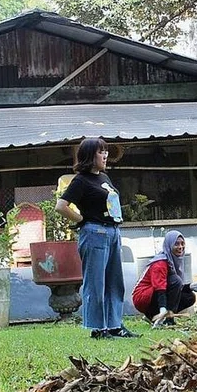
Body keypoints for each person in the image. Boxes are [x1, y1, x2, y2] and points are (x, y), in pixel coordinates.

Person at [56, 137, 139, 339]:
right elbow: (61, 206)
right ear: (89, 156)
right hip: (94, 234)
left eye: (106, 151)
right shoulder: (81, 180)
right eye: (101, 152)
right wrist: (82, 218)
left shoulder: (104, 178)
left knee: (114, 283)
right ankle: (97, 328)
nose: (105, 155)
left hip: (112, 233)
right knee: (96, 283)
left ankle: (114, 325)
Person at [133, 230, 197, 327]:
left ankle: (152, 316)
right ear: (169, 245)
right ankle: (167, 319)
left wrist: (190, 287)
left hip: (155, 293)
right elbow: (160, 288)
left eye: (182, 243)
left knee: (189, 297)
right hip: (142, 297)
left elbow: (172, 288)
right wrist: (163, 308)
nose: (180, 247)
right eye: (176, 244)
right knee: (176, 281)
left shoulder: (172, 261)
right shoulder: (160, 263)